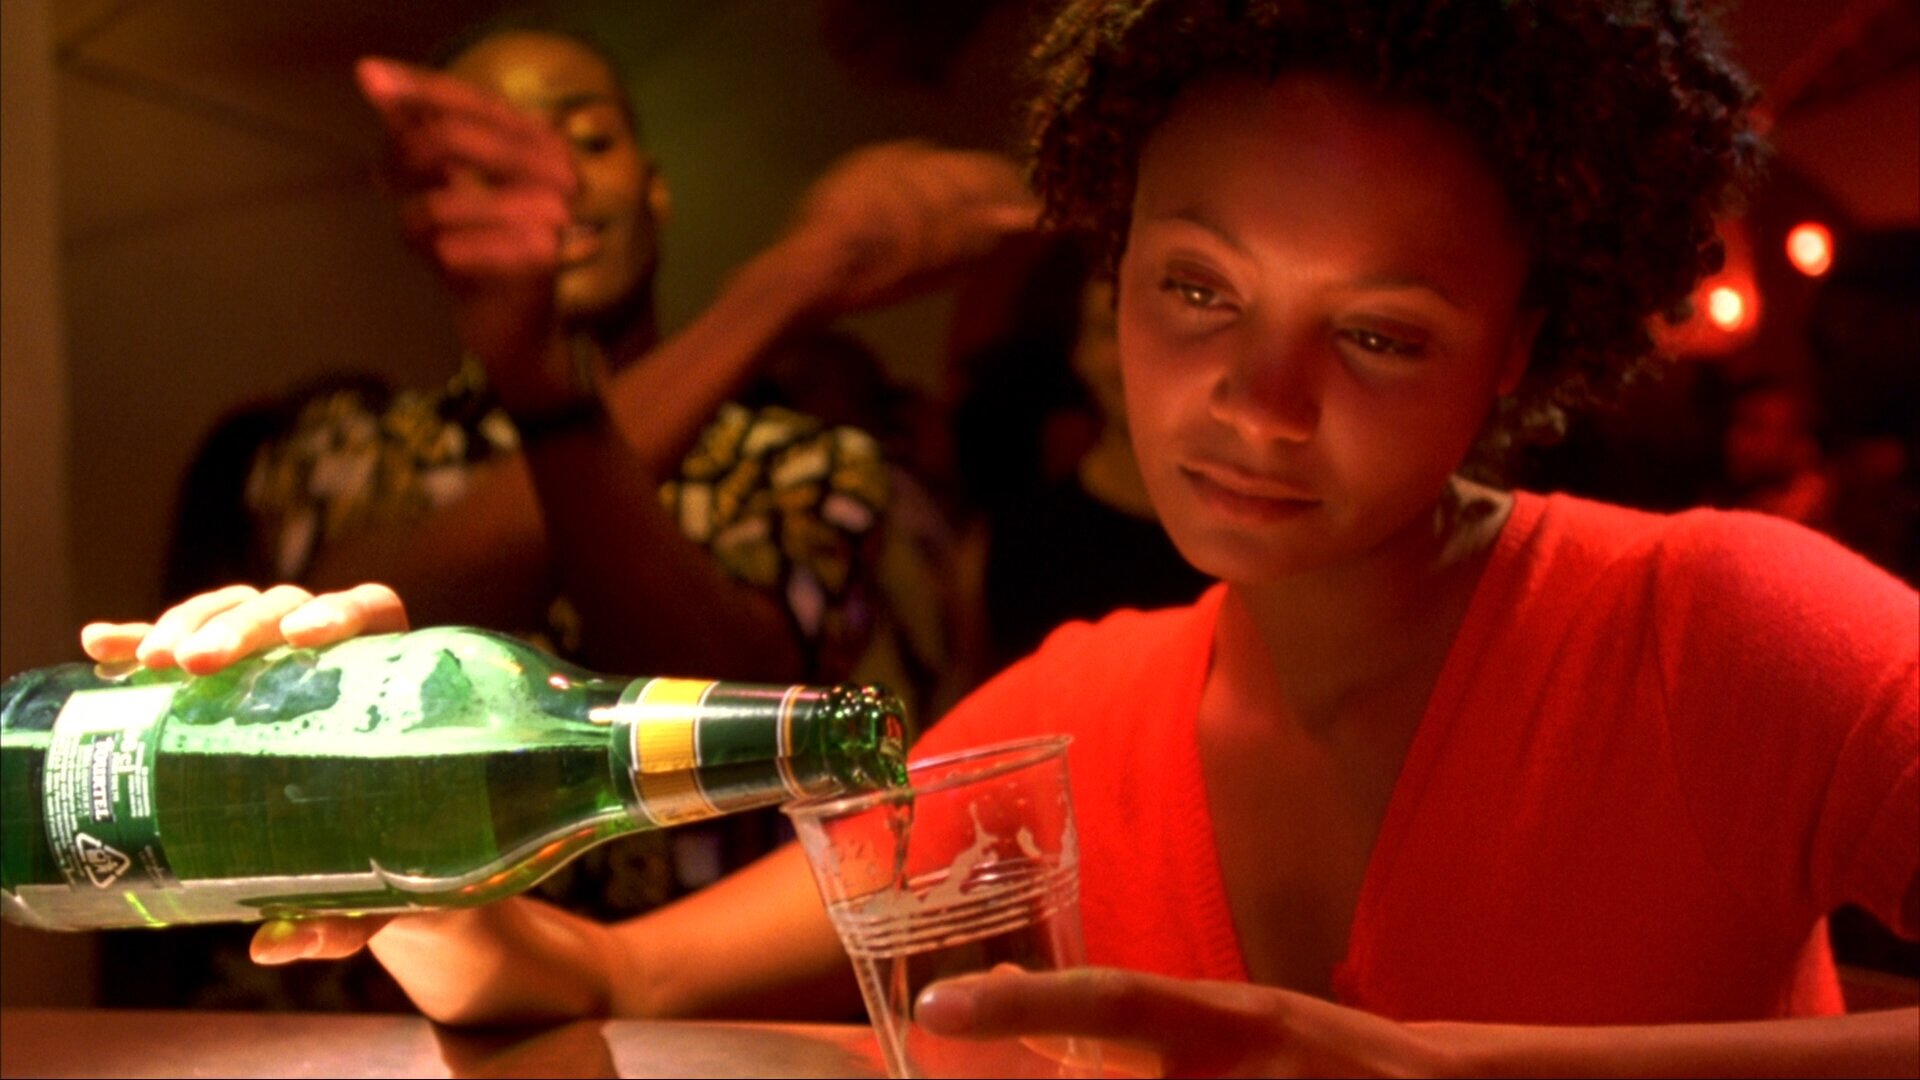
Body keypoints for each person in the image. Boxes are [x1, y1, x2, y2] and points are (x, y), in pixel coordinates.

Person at [81, 0, 1918, 1074]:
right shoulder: (1078, 721)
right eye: (1196, 289)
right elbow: (595, 981)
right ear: (1112, 270)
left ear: (1521, 347)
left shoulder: (1724, 629)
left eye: (1378, 334)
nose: (1259, 403)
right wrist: (379, 824)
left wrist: (1446, 1066)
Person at [116, 16, 1036, 1011]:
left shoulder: (807, 461)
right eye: (492, 158)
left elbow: (736, 706)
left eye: (586, 140)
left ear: (656, 186)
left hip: (690, 1033)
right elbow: (356, 650)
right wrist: (784, 286)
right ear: (421, 211)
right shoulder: (347, 443)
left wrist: (564, 386)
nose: (551, 185)